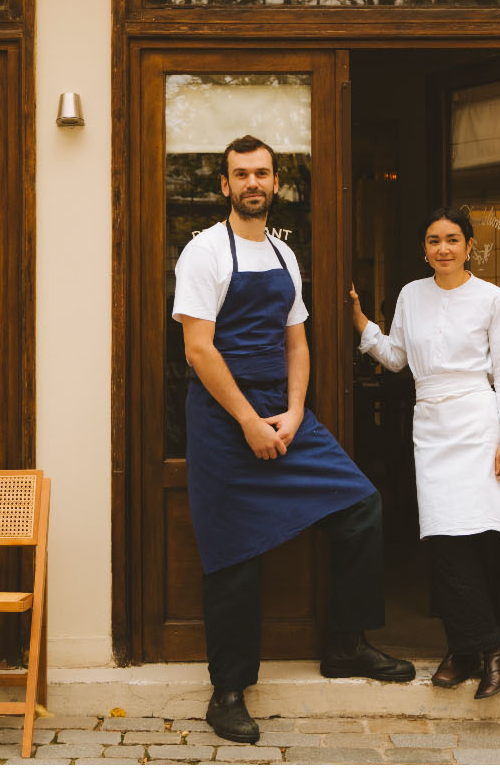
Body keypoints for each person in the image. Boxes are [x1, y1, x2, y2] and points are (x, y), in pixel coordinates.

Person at [172, 135, 414, 745]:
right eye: (240, 174)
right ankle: (228, 691)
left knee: (361, 506)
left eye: (262, 173)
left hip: (284, 412)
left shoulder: (284, 254)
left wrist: (295, 411)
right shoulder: (204, 252)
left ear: (276, 183)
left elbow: (297, 343)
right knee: (232, 551)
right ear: (225, 185)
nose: (252, 183)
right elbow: (198, 349)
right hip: (223, 421)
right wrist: (248, 422)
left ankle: (346, 644)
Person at [348, 205, 500, 699]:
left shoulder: (492, 298)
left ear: (469, 247)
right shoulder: (411, 294)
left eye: (452, 240)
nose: (443, 248)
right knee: (443, 535)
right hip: (430, 424)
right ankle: (492, 648)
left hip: (478, 421)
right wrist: (361, 322)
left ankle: (468, 650)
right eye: (434, 241)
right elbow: (396, 358)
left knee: (479, 535)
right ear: (424, 250)